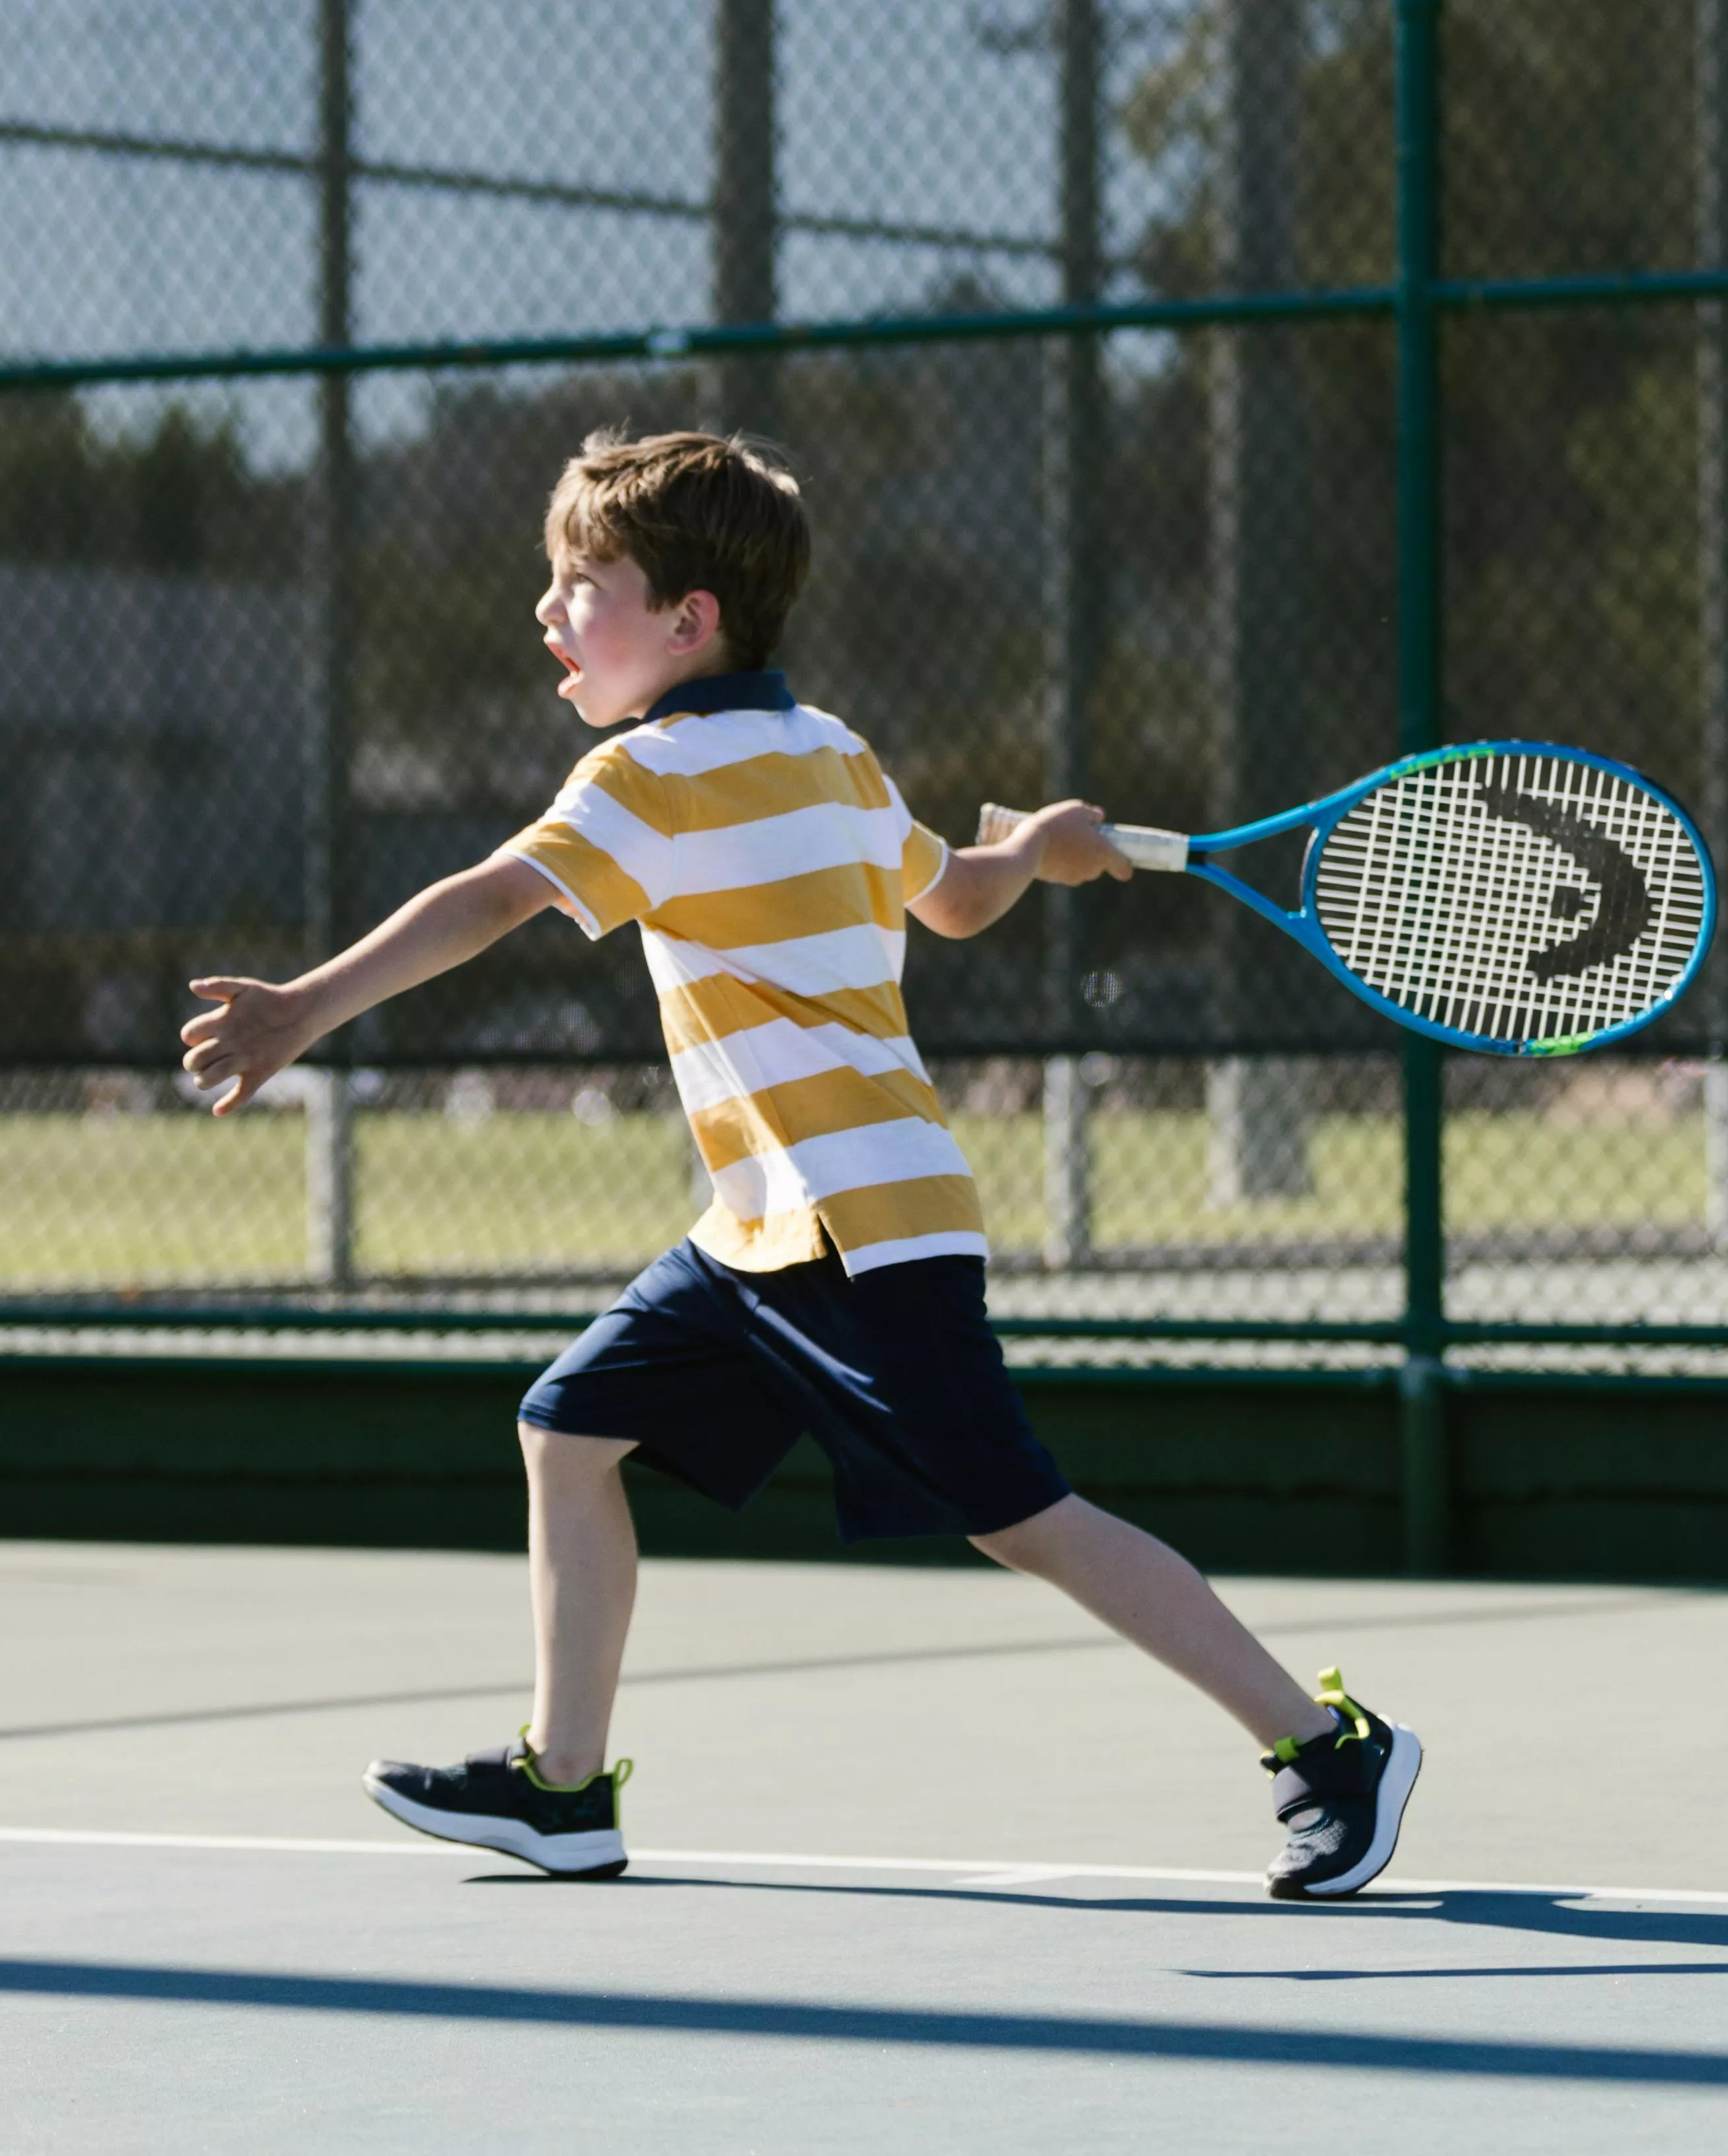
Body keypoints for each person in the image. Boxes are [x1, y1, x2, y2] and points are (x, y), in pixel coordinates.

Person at [180, 428, 1421, 1900]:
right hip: (764, 1228)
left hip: (862, 1227)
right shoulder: (831, 749)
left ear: (688, 621)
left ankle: (1327, 1750)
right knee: (567, 1431)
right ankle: (563, 1790)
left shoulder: (649, 779)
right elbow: (955, 899)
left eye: (583, 582)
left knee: (1021, 1516)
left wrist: (303, 1009)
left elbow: (489, 900)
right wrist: (1032, 850)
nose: (549, 611)